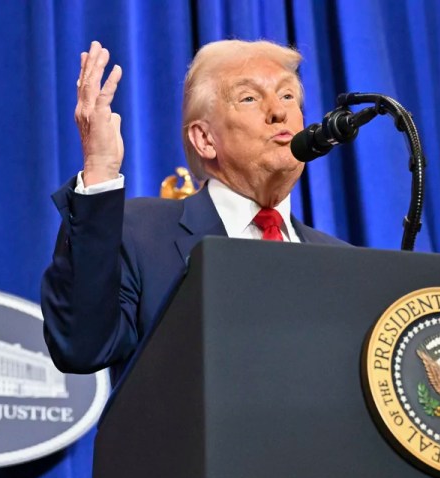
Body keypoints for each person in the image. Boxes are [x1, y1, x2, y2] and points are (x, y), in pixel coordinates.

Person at [41, 39, 348, 384]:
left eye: (288, 95)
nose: (279, 111)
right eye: (249, 98)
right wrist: (100, 168)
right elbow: (81, 347)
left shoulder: (342, 263)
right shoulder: (139, 235)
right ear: (204, 139)